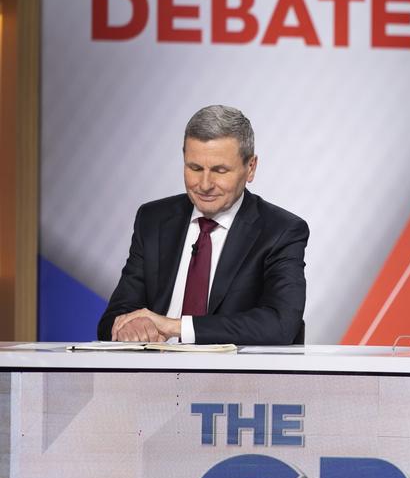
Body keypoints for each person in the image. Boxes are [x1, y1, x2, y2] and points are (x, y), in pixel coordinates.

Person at [97, 105, 309, 345]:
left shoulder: (281, 231)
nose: (205, 184)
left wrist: (175, 327)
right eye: (195, 168)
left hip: (234, 380)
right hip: (154, 376)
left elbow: (280, 325)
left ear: (250, 168)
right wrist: (128, 328)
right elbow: (113, 320)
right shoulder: (153, 220)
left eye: (220, 170)